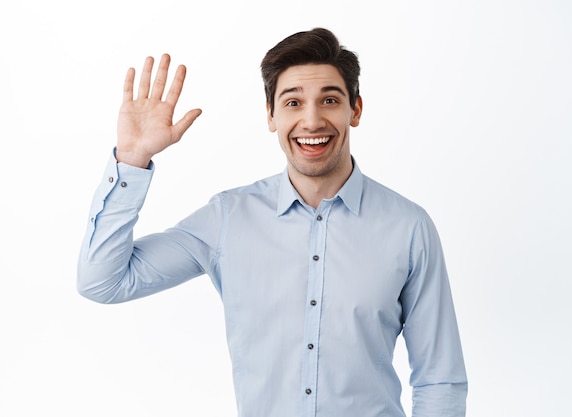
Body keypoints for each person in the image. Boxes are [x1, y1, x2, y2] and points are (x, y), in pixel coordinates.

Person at [77, 27, 468, 417]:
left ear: (356, 110)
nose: (312, 121)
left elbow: (439, 380)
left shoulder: (409, 228)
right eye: (293, 103)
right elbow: (104, 282)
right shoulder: (228, 219)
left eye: (329, 100)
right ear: (270, 115)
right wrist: (131, 160)